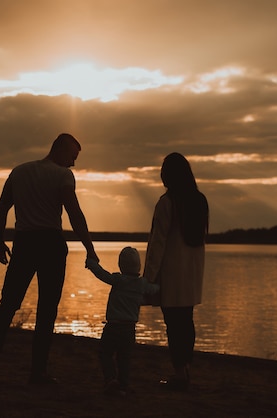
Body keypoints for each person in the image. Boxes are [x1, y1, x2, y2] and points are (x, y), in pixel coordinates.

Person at [0, 133, 99, 385]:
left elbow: (2, 209)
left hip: (23, 243)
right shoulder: (63, 176)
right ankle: (38, 373)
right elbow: (74, 214)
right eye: (72, 156)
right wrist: (90, 248)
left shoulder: (19, 171)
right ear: (61, 150)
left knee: (8, 305)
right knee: (47, 311)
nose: (74, 163)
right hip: (50, 245)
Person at [143, 152, 209, 391]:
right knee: (186, 322)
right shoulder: (199, 201)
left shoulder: (167, 202)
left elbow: (157, 243)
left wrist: (148, 278)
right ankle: (185, 368)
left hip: (172, 274)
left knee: (173, 324)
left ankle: (180, 373)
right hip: (191, 275)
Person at [86, 247, 160, 396]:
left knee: (105, 354)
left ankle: (111, 379)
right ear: (138, 266)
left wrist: (91, 263)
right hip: (129, 329)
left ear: (121, 265)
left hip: (113, 326)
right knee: (124, 358)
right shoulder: (142, 284)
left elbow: (102, 274)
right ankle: (124, 384)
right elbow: (155, 289)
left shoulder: (118, 280)